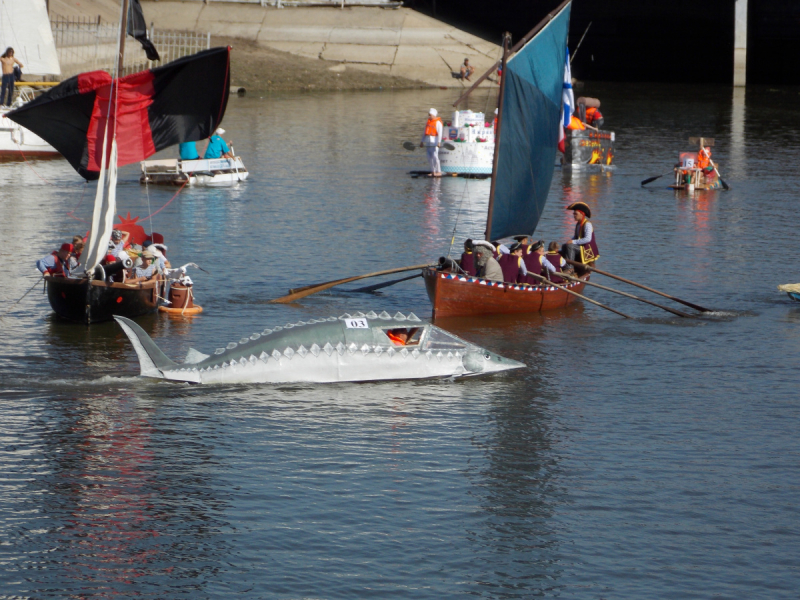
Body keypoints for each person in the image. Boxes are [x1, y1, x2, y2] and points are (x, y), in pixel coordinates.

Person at [419, 108, 443, 177]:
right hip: (428, 141)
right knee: (429, 157)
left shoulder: (438, 123)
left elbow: (440, 133)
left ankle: (438, 171)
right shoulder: (428, 122)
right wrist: (422, 141)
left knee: (435, 156)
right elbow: (424, 132)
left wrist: (439, 142)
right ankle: (433, 171)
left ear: (434, 115)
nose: (429, 116)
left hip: (434, 142)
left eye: (430, 115)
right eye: (429, 115)